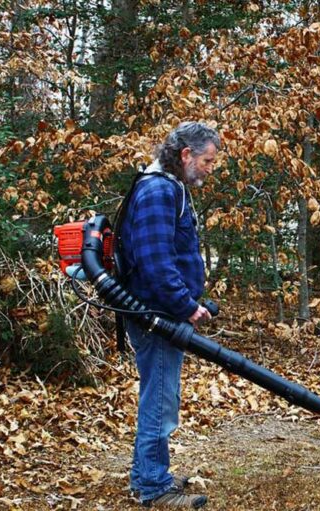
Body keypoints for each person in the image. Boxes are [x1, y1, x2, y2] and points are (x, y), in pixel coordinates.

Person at [119, 121, 219, 508]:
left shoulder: (167, 187)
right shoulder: (159, 190)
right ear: (185, 155)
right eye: (207, 160)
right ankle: (153, 488)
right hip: (155, 315)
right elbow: (156, 264)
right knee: (160, 401)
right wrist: (186, 306)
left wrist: (191, 301)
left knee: (158, 397)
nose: (210, 168)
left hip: (160, 311)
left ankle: (147, 473)